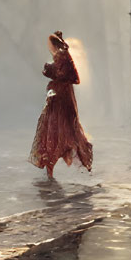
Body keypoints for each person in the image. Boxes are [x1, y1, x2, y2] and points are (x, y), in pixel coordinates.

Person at [29, 31, 93, 180]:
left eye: (50, 45)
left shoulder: (62, 56)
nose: (49, 48)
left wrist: (52, 72)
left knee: (66, 132)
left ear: (55, 45)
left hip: (62, 101)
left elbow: (73, 77)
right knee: (54, 132)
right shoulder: (61, 56)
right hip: (57, 101)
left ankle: (80, 164)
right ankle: (50, 169)